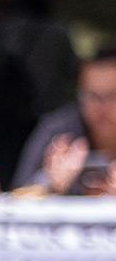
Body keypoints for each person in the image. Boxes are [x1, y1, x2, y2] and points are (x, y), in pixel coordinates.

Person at [12, 48, 116, 196]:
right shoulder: (58, 132)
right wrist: (50, 184)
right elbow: (17, 197)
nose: (101, 107)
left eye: (112, 95)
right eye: (91, 96)